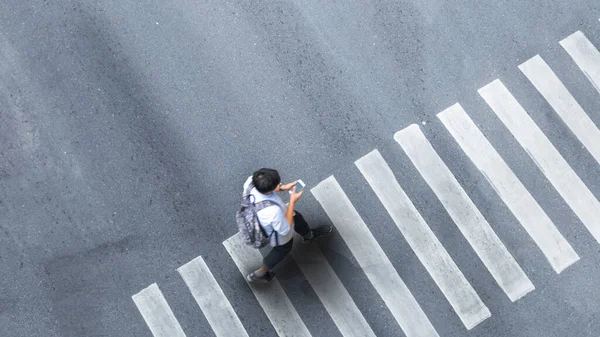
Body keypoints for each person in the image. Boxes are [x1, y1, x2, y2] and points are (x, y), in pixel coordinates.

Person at [244, 168, 332, 283]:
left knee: (297, 217)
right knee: (283, 248)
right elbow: (285, 227)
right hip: (273, 226)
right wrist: (292, 201)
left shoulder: (250, 182)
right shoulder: (272, 212)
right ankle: (261, 273)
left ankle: (308, 235)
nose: (279, 184)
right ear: (269, 191)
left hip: (259, 217)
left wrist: (281, 188)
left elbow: (267, 191)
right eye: (277, 184)